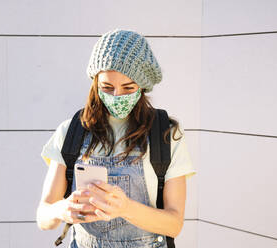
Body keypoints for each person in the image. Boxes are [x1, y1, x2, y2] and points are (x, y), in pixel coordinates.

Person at [36, 28, 196, 248]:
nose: (116, 96)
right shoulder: (71, 132)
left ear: (142, 87)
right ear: (95, 84)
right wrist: (62, 209)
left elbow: (174, 224)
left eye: (128, 88)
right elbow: (43, 217)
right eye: (107, 87)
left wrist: (125, 208)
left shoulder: (165, 135)